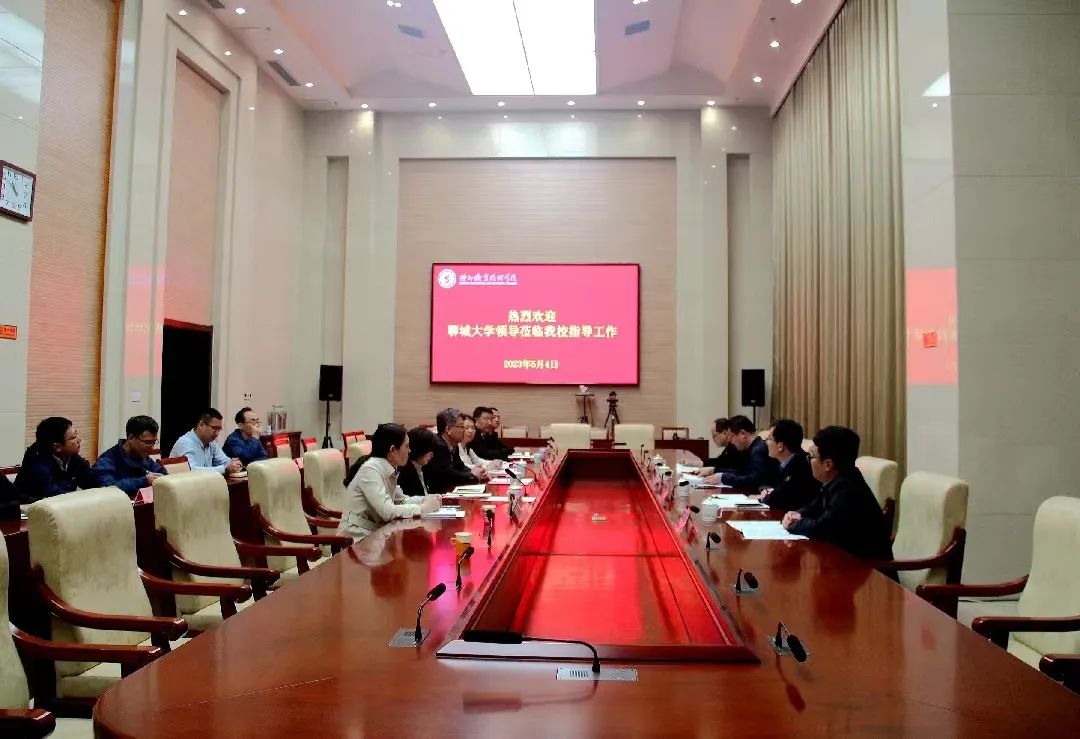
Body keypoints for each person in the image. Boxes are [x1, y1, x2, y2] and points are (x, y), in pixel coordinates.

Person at [782, 426, 895, 572]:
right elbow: (814, 507)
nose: (808, 461)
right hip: (845, 563)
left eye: (811, 457)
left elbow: (822, 529)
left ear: (828, 464)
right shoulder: (839, 480)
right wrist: (797, 513)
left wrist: (794, 524)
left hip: (867, 572)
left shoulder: (848, 490)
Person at [337, 423, 441, 540]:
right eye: (407, 446)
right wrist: (422, 508)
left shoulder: (388, 468)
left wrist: (425, 499)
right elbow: (387, 512)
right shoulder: (370, 470)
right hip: (356, 538)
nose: (410, 450)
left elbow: (401, 501)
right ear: (392, 450)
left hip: (376, 534)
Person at [14, 417, 95, 504]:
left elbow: (92, 483)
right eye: (73, 437)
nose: (79, 440)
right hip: (31, 508)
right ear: (57, 447)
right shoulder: (37, 463)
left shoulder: (71, 456)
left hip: (60, 506)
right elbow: (55, 495)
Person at [92, 416, 167, 496]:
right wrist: (143, 481)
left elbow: (162, 473)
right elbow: (107, 489)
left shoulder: (143, 456)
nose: (152, 447)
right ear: (131, 438)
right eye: (147, 442)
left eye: (154, 442)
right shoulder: (107, 460)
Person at [758, 419, 820, 512]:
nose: (766, 443)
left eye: (769, 439)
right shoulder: (780, 462)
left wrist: (768, 496)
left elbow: (781, 499)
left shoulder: (803, 465)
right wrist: (767, 491)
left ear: (780, 446)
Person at [424, 408, 485, 493]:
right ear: (448, 429)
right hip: (435, 494)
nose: (464, 430)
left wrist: (478, 473)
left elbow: (460, 466)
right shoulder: (438, 446)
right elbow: (450, 475)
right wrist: (472, 476)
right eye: (462, 427)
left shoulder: (453, 445)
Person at [169, 409, 242, 475]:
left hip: (203, 483)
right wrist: (224, 468)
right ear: (201, 425)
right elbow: (191, 471)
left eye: (219, 429)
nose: (217, 433)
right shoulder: (184, 443)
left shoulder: (211, 443)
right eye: (214, 428)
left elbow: (226, 462)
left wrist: (234, 464)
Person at [714, 415, 779, 490]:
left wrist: (724, 479)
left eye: (732, 437)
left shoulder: (759, 450)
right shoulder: (752, 448)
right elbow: (741, 472)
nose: (731, 442)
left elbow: (754, 480)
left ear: (743, 434)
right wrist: (716, 471)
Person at [398, 426, 437, 497]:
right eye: (429, 451)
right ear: (420, 449)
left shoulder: (424, 467)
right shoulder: (405, 473)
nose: (432, 455)